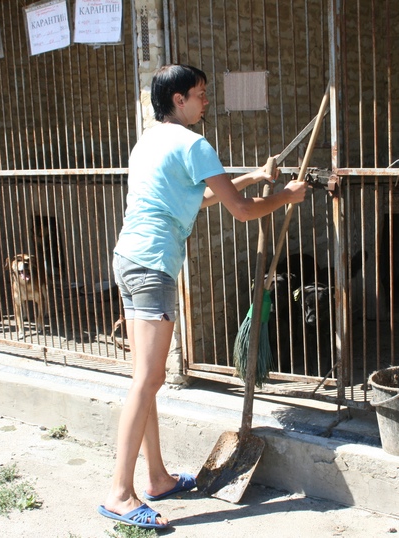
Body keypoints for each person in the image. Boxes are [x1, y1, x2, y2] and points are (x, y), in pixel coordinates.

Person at [98, 64, 310, 529]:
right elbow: (241, 212)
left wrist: (254, 177)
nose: (205, 101)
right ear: (177, 100)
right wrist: (288, 196)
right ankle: (119, 492)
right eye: (199, 94)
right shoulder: (194, 144)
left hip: (128, 258)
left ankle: (155, 477)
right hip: (154, 264)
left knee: (144, 379)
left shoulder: (148, 141)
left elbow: (200, 200)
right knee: (148, 380)